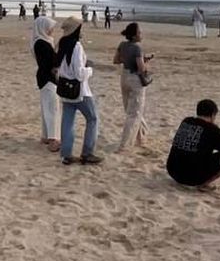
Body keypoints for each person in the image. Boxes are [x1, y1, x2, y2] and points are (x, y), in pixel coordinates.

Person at [55, 16, 102, 165]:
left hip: (65, 89)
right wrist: (90, 70)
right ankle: (87, 153)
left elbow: (59, 68)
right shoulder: (76, 46)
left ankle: (66, 154)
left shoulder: (61, 44)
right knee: (93, 118)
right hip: (79, 91)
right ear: (77, 30)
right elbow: (79, 73)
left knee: (67, 122)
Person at [166, 99, 220, 188]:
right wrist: (218, 131)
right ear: (213, 115)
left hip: (173, 171)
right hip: (191, 177)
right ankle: (203, 185)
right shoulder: (211, 129)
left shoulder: (187, 121)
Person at [113, 22, 151, 152]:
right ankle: (124, 144)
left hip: (124, 77)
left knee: (130, 109)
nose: (141, 34)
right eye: (139, 32)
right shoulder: (137, 48)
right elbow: (141, 69)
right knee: (134, 112)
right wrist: (145, 64)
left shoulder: (122, 45)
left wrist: (127, 60)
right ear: (134, 36)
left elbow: (116, 60)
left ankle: (141, 137)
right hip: (135, 79)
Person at [31, 16, 60, 152]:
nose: (52, 30)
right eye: (50, 28)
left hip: (44, 76)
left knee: (47, 106)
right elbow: (52, 61)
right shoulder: (42, 43)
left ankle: (46, 135)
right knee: (52, 107)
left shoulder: (40, 41)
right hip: (48, 77)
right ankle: (53, 139)